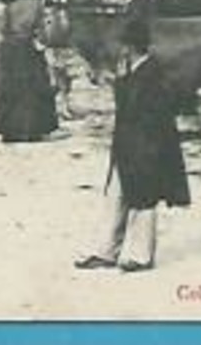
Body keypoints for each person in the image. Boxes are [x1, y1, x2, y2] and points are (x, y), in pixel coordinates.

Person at [75, 17, 190, 272]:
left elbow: (146, 111)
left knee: (142, 199)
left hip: (145, 147)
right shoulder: (138, 70)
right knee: (117, 196)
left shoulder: (151, 72)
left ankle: (140, 255)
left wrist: (120, 84)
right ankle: (106, 251)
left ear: (129, 46)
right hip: (128, 145)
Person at [0, 0, 59, 143]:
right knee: (32, 88)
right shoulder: (37, 5)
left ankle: (10, 129)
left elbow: (2, 29)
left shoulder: (10, 6)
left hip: (9, 49)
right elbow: (44, 32)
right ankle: (32, 129)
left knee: (11, 89)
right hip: (27, 48)